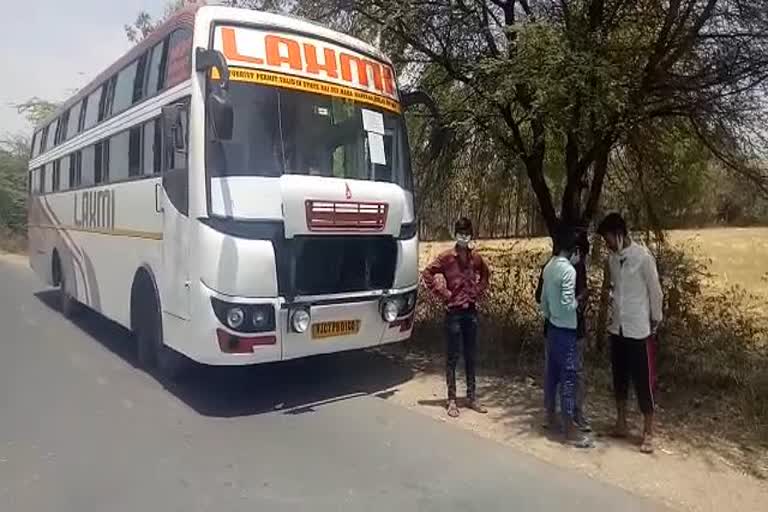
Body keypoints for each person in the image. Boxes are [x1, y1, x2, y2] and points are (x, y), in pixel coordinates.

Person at [597, 213, 663, 454]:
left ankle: (648, 432)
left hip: (638, 329)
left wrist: (656, 318)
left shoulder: (643, 258)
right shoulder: (613, 260)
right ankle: (621, 422)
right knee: (619, 377)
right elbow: (613, 289)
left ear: (619, 234)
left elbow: (655, 291)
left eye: (608, 239)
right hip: (618, 327)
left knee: (644, 380)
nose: (607, 244)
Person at [423, 217, 490, 418]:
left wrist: (478, 290)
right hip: (453, 312)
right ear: (456, 234)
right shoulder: (446, 257)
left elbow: (486, 276)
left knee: (471, 355)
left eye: (467, 233)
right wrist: (443, 293)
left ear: (471, 235)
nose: (464, 237)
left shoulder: (476, 258)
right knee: (453, 357)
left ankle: (472, 396)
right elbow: (427, 273)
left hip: (470, 311)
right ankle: (451, 400)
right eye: (461, 233)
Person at [539, 227, 592, 448]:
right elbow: (567, 303)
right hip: (567, 330)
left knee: (552, 374)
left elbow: (543, 300)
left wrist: (551, 316)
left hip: (552, 328)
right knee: (569, 377)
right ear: (575, 250)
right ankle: (570, 429)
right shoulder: (569, 271)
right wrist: (580, 300)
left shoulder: (549, 267)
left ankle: (551, 417)